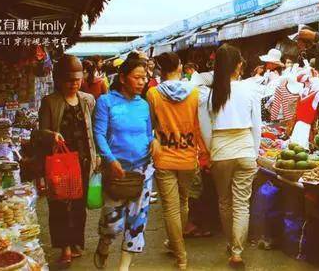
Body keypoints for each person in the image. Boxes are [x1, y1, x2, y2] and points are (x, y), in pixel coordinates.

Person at [93, 51, 158, 271]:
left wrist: (154, 141)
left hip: (143, 171)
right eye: (137, 77)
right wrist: (109, 160)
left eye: (144, 78)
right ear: (122, 78)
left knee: (137, 223)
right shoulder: (106, 102)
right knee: (113, 224)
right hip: (115, 171)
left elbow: (149, 133)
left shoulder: (144, 105)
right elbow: (99, 134)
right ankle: (104, 244)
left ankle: (124, 267)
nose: (142, 82)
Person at [199, 44, 261, 268]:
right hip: (245, 149)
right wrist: (254, 152)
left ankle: (230, 244)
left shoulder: (209, 94)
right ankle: (237, 251)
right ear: (237, 66)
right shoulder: (250, 89)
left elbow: (206, 130)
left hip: (221, 151)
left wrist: (213, 150)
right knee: (242, 204)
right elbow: (257, 126)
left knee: (224, 202)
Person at [146, 52, 209, 270]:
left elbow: (150, 127)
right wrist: (204, 151)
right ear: (180, 67)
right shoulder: (194, 93)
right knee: (183, 203)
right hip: (188, 157)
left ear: (160, 70)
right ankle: (176, 246)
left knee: (170, 209)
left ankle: (180, 255)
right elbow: (199, 125)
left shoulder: (153, 94)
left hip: (164, 156)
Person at [36, 55, 100, 267]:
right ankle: (64, 247)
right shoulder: (50, 102)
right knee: (60, 205)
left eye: (77, 80)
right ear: (59, 80)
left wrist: (97, 155)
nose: (74, 84)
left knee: (79, 204)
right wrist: (51, 135)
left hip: (83, 159)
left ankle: (76, 242)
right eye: (69, 80)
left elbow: (94, 130)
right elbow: (39, 133)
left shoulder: (88, 100)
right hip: (60, 162)